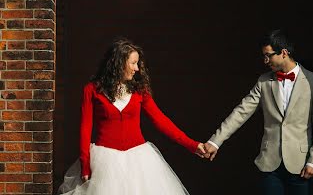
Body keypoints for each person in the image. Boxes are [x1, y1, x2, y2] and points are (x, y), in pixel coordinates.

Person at [58, 37, 206, 195]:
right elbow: (85, 128)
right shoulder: (91, 90)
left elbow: (161, 121)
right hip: (105, 163)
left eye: (138, 63)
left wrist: (192, 145)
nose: (137, 69)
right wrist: (85, 165)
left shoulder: (140, 91)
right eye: (133, 63)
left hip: (139, 160)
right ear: (119, 63)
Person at [203, 29, 313, 194]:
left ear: (284, 53)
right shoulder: (264, 81)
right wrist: (215, 141)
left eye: (268, 55)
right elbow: (241, 112)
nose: (265, 60)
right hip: (270, 164)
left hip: (301, 164)